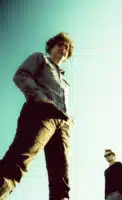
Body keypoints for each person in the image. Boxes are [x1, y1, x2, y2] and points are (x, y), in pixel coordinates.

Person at [0, 32, 74, 200]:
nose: (64, 49)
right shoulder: (40, 58)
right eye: (60, 45)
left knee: (61, 177)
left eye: (67, 48)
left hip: (63, 124)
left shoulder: (64, 79)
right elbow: (21, 75)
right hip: (41, 112)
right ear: (51, 47)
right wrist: (41, 99)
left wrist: (69, 120)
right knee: (19, 158)